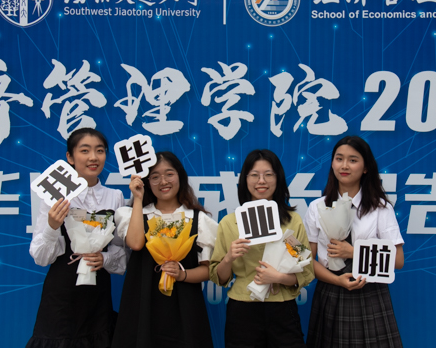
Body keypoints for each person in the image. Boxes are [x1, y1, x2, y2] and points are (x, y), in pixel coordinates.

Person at [26, 127, 126, 348]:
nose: (93, 157)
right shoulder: (56, 194)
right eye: (85, 150)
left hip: (97, 296)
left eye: (100, 150)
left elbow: (122, 249)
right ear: (70, 157)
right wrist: (52, 226)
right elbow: (40, 257)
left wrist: (105, 259)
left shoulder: (115, 196)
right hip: (61, 293)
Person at [304, 135, 404, 348]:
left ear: (366, 167)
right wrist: (336, 280)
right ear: (332, 164)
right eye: (339, 159)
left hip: (370, 291)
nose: (344, 166)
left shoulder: (380, 208)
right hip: (330, 289)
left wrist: (354, 253)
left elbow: (398, 260)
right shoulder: (317, 207)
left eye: (353, 160)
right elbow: (306, 259)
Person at [209, 149, 315, 348]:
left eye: (268, 174)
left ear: (278, 178)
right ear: (245, 179)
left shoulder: (292, 222)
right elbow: (219, 277)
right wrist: (228, 258)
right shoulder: (229, 223)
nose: (261, 181)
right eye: (254, 175)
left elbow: (306, 270)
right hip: (242, 308)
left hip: (282, 308)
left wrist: (279, 277)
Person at [112, 151, 217, 348]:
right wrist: (137, 198)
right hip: (142, 304)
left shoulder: (198, 219)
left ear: (180, 176)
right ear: (146, 182)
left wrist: (182, 274)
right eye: (155, 177)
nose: (163, 181)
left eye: (169, 174)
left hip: (185, 307)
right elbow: (136, 243)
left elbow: (208, 270)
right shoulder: (134, 214)